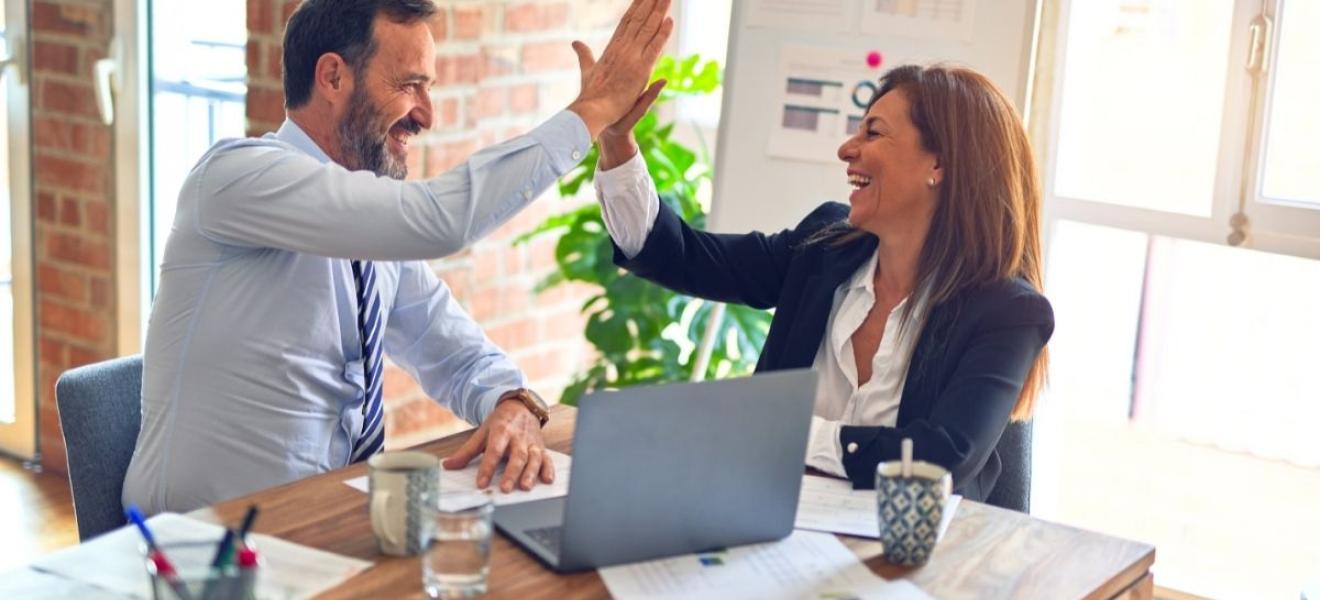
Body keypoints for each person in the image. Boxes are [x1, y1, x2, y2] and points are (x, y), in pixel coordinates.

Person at [123, 0, 674, 514]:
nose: (426, 115)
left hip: (325, 526)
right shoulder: (235, 178)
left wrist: (511, 400)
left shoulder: (371, 229)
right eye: (410, 86)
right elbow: (438, 220)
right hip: (200, 549)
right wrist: (592, 110)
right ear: (333, 77)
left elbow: (457, 355)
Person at [593, 64, 1053, 502]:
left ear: (940, 165)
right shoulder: (824, 248)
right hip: (771, 524)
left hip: (914, 564)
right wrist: (617, 141)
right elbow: (682, 257)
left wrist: (785, 432)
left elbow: (939, 459)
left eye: (873, 132)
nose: (847, 149)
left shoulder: (1007, 312)